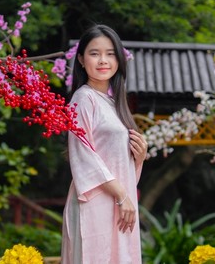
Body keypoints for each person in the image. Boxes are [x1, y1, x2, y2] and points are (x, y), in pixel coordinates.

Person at [60, 24, 149, 264]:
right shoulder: (82, 98)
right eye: (94, 53)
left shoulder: (114, 104)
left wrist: (139, 157)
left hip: (120, 205)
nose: (103, 60)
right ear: (80, 59)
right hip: (95, 203)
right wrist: (122, 195)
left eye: (110, 53)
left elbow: (120, 166)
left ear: (119, 59)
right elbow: (84, 156)